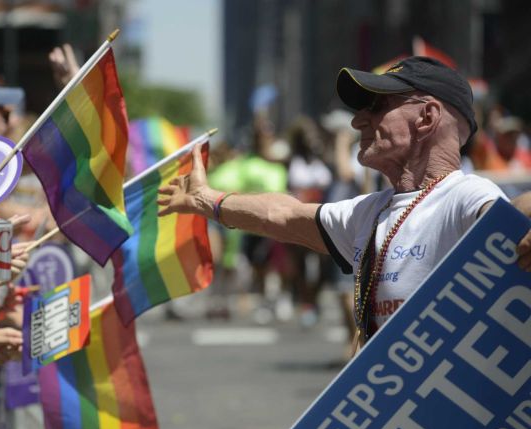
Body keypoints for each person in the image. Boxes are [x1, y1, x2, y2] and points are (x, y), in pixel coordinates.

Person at [158, 56, 531, 348]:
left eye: (377, 106)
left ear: (427, 117)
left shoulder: (463, 196)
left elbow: (512, 214)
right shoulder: (371, 212)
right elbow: (283, 215)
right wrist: (209, 200)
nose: (358, 122)